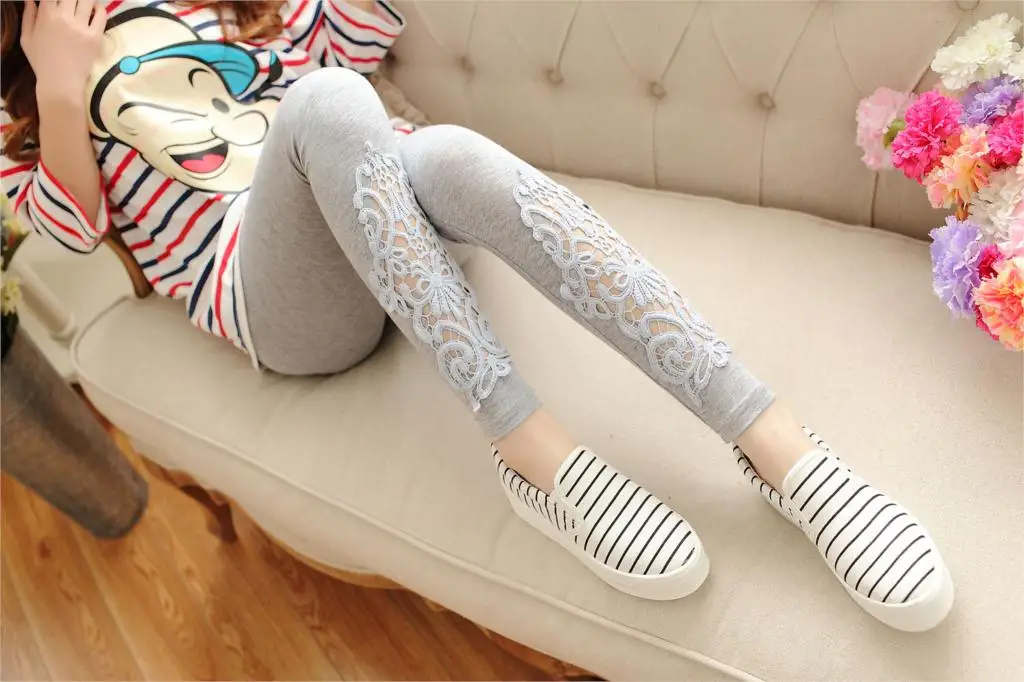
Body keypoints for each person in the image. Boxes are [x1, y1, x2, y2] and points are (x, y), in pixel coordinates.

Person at [1, 0, 953, 631]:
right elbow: (70, 227)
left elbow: (355, 39)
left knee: (449, 150)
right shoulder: (20, 102)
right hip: (277, 299)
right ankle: (531, 452)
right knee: (328, 103)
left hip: (384, 214)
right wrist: (58, 84)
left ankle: (776, 445)